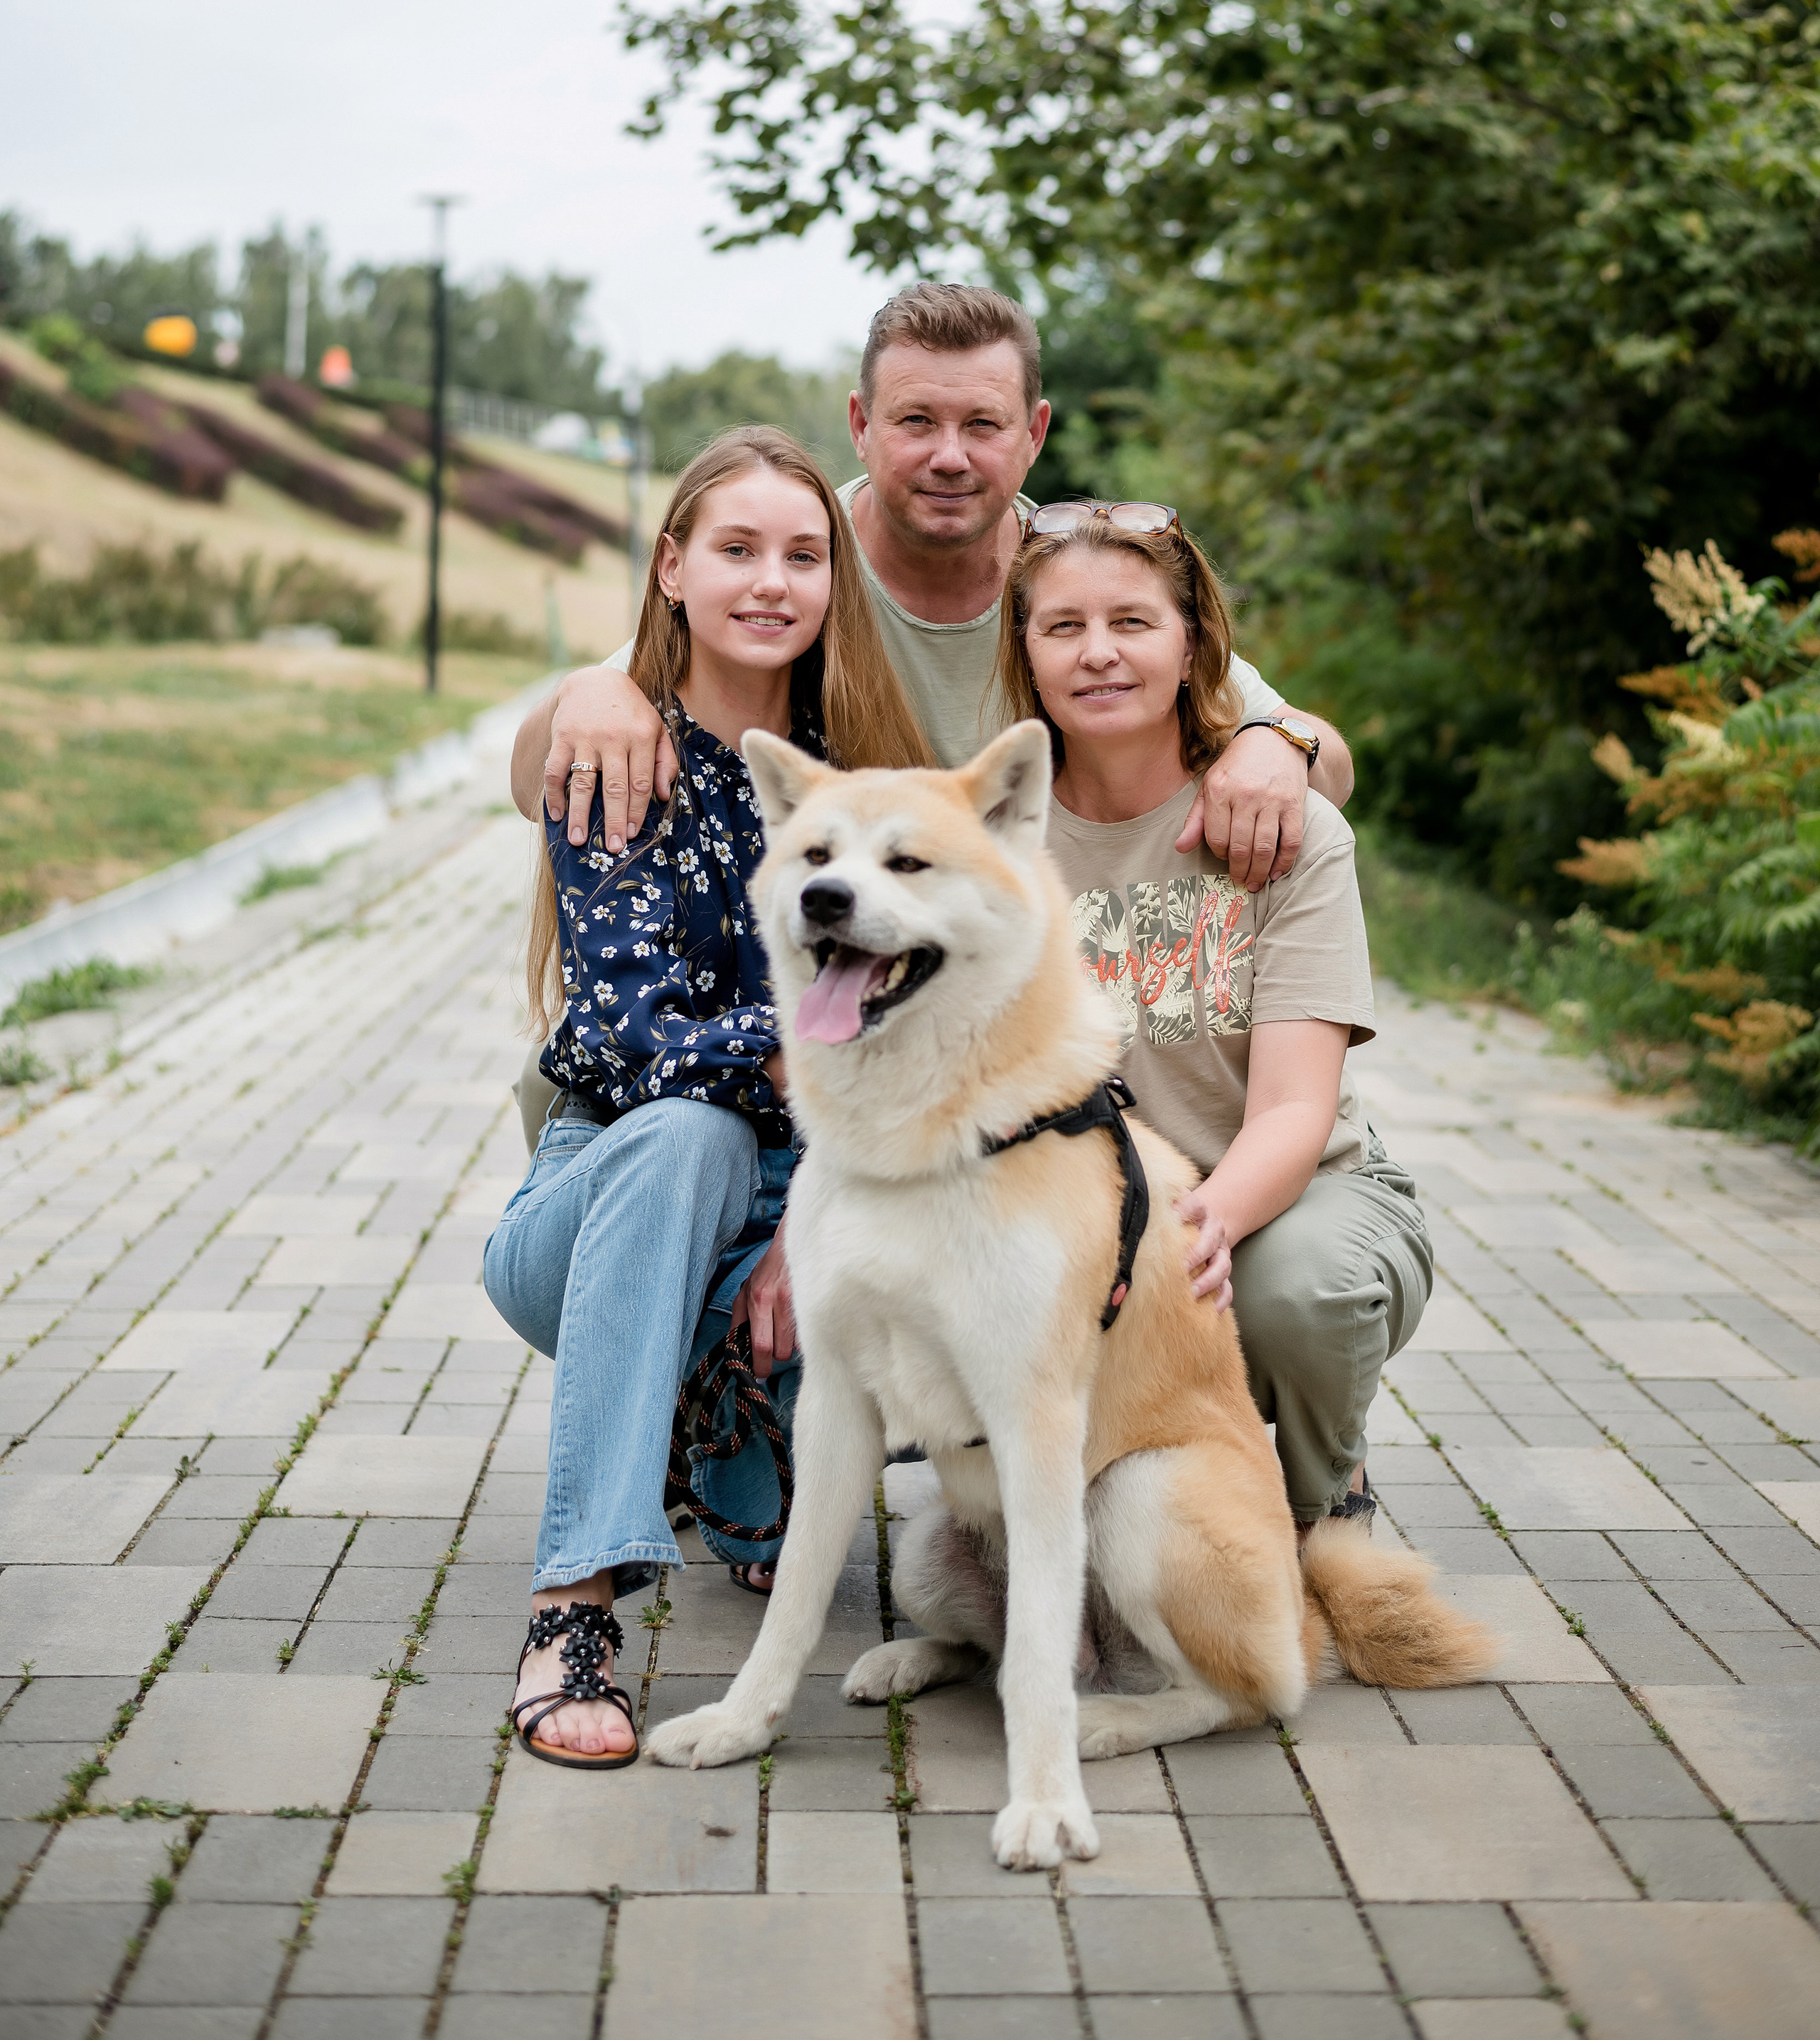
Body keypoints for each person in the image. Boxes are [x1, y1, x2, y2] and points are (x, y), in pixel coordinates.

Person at [509, 285, 1353, 1050]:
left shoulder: (1073, 580)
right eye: (916, 421)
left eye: (982, 425)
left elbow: (1330, 768)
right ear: (861, 424)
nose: (950, 455)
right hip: (830, 1003)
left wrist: (1276, 741)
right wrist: (594, 689)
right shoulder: (801, 564)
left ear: (1034, 433)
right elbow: (531, 784)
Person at [482, 426, 929, 1769]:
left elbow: (920, 1019)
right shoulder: (616, 750)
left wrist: (812, 1216)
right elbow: (632, 1040)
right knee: (685, 1128)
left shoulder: (860, 778)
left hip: (794, 1202)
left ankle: (701, 1438)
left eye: (804, 553)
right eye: (737, 547)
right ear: (672, 565)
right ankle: (576, 1608)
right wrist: (812, 1036)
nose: (772, 580)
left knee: (781, 1523)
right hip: (597, 1204)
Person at [997, 500, 1432, 1533]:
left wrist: (1182, 1241)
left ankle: (1324, 1502)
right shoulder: (994, 840)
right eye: (1063, 626)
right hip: (1078, 1204)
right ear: (1026, 654)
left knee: (1299, 1296)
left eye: (1133, 622)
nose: (1098, 652)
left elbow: (1292, 1111)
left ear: (1193, 645)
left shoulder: (1287, 828)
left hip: (1290, 1195)